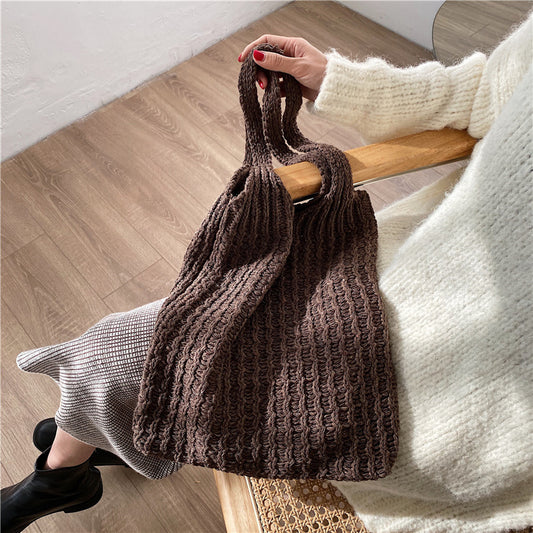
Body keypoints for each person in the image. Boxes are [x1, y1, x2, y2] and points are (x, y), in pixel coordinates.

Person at [2, 12, 531, 533]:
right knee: (121, 355)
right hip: (411, 249)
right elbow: (486, 93)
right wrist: (335, 78)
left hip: (466, 385)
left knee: (110, 360)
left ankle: (63, 474)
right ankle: (89, 445)